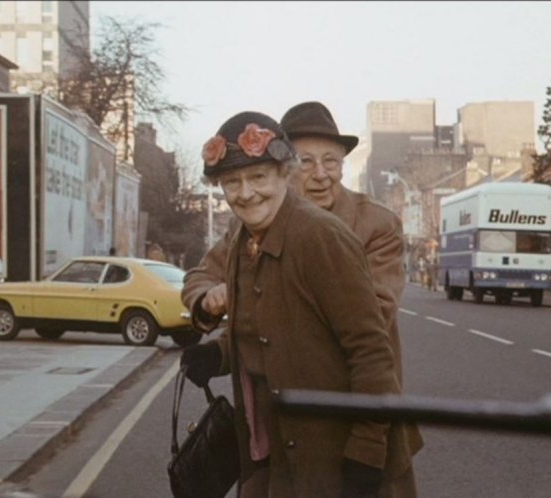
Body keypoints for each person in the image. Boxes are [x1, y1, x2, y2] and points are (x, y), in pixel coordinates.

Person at [181, 102, 422, 496]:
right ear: (293, 167)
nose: (321, 173)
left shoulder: (341, 230)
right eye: (308, 161)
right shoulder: (249, 231)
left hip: (347, 426)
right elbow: (221, 289)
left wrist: (365, 449)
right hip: (278, 433)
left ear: (280, 171)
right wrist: (222, 347)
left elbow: (363, 337)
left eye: (331, 161)